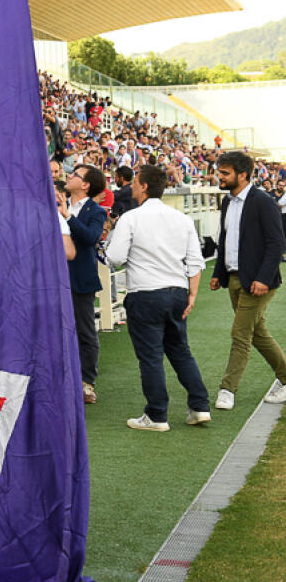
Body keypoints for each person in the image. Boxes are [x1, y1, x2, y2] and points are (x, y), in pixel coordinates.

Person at [105, 164, 210, 431]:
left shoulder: (131, 218)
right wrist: (192, 294)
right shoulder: (182, 219)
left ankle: (157, 414)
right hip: (177, 291)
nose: (132, 187)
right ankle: (199, 406)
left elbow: (115, 257)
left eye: (135, 182)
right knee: (180, 352)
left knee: (151, 357)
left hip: (146, 294)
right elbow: (196, 262)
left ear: (145, 186)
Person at [209, 151, 286, 409]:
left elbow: (277, 244)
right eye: (219, 172)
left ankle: (227, 390)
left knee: (240, 334)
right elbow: (225, 240)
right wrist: (218, 273)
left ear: (242, 175)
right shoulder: (227, 202)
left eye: (224, 173)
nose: (219, 176)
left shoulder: (263, 202)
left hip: (258, 282)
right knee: (257, 333)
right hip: (234, 278)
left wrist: (263, 278)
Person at [59, 164, 106, 405]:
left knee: (85, 332)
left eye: (75, 174)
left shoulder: (96, 211)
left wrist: (67, 216)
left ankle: (87, 382)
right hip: (54, 277)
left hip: (80, 279)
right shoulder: (57, 201)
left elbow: (90, 237)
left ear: (85, 185)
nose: (69, 176)